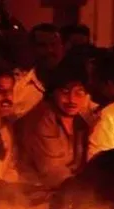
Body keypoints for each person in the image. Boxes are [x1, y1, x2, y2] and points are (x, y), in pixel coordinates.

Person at [15, 56, 91, 187]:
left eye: (79, 93)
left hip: (66, 190)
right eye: (65, 92)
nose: (72, 100)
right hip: (30, 192)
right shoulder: (41, 119)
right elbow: (52, 173)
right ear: (53, 92)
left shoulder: (81, 122)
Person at [13, 23, 63, 117]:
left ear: (62, 47)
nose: (49, 50)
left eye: (53, 44)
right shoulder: (17, 87)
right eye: (42, 46)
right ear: (32, 48)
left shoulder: (75, 89)